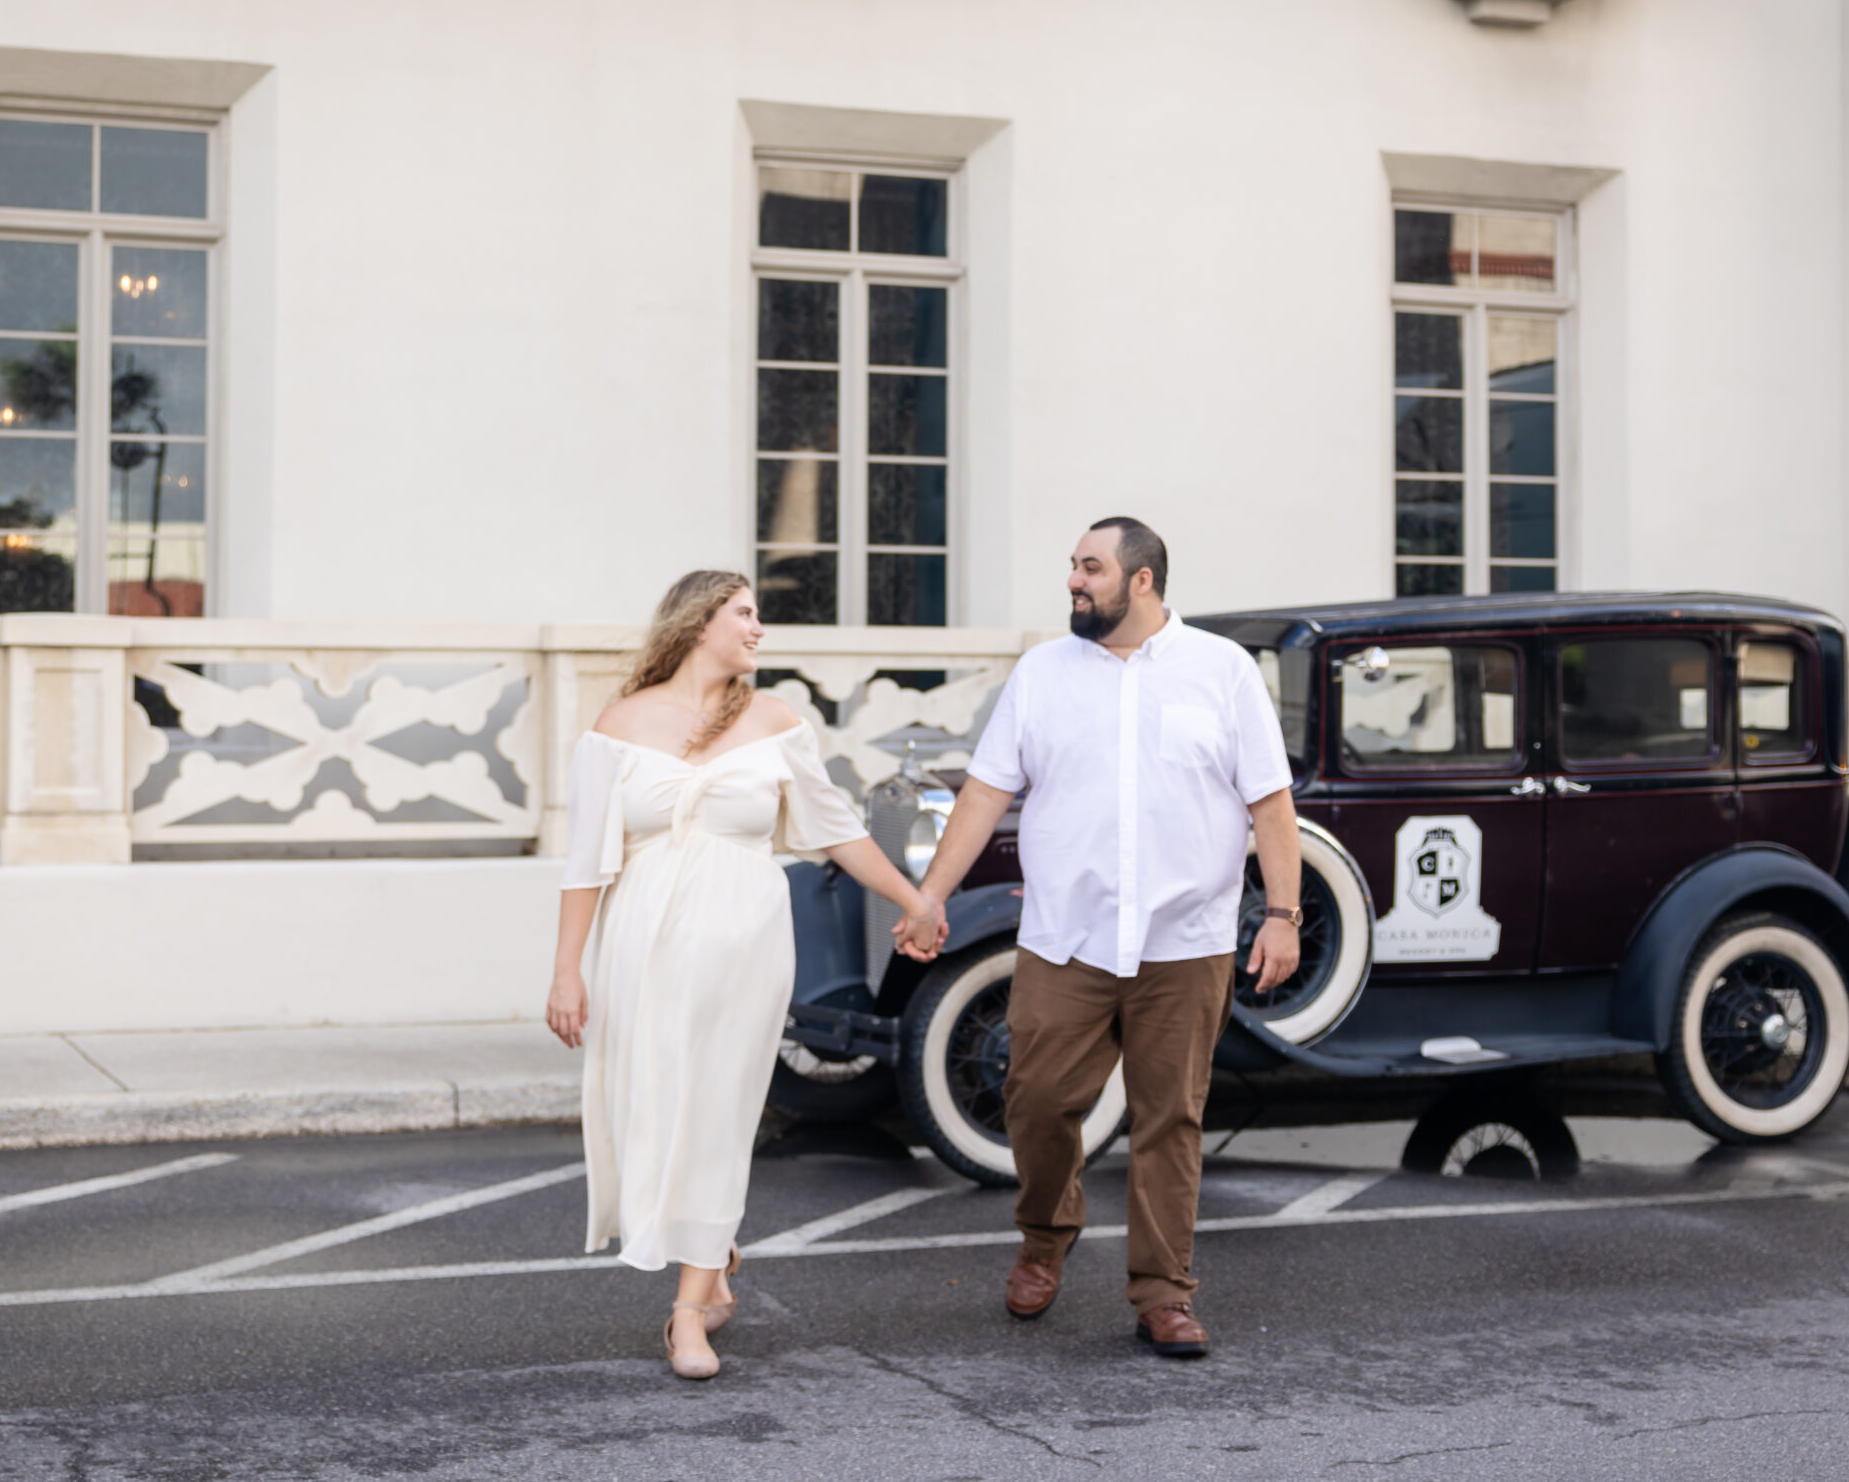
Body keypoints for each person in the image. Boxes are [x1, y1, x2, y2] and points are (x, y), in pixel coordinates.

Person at [913, 517, 1302, 1357]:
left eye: (1090, 567)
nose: (1073, 581)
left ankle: (1164, 1291)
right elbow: (983, 793)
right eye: (1072, 566)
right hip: (1067, 939)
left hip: (1187, 940)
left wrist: (1283, 914)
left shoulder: (1223, 672)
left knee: (1171, 1118)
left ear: (1144, 580)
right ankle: (1046, 1231)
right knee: (1038, 1098)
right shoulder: (1041, 673)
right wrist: (930, 895)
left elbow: (1271, 803)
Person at [546, 569, 945, 1381]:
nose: (759, 628)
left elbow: (837, 830)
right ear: (699, 623)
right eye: (745, 613)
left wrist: (917, 899)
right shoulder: (620, 723)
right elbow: (585, 858)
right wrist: (566, 971)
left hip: (746, 942)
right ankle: (713, 1243)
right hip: (640, 942)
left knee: (722, 1108)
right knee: (651, 1100)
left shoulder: (775, 720)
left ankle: (690, 1308)